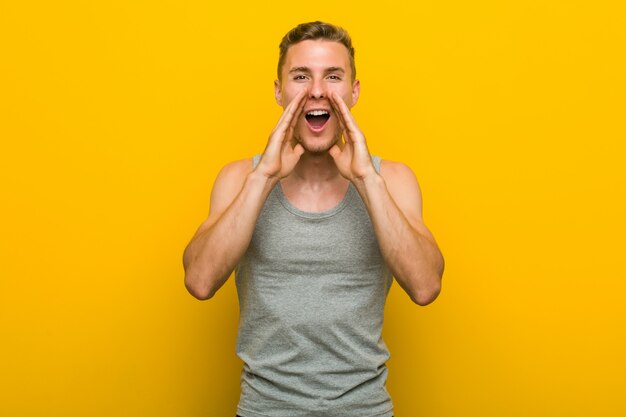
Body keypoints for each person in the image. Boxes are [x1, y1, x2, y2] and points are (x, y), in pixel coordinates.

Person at [183, 21, 444, 417]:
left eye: (333, 77)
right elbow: (199, 281)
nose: (318, 91)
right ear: (279, 91)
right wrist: (265, 177)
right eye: (301, 76)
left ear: (354, 92)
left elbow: (426, 286)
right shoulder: (240, 178)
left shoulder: (391, 180)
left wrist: (366, 180)